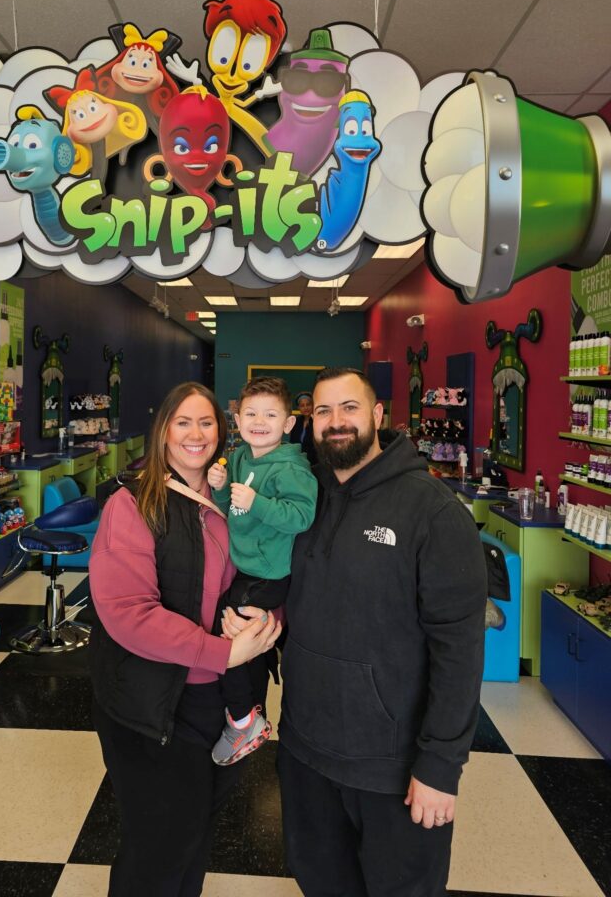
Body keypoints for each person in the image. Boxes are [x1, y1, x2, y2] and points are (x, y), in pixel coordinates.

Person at [276, 367, 487, 897]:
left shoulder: (433, 512)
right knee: (321, 882)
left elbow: (459, 649)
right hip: (305, 749)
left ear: (376, 416)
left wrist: (441, 766)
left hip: (393, 765)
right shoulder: (305, 498)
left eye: (350, 408)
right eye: (323, 411)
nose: (335, 422)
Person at [88, 382, 281, 897]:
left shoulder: (236, 500)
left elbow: (269, 570)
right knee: (158, 849)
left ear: (224, 430)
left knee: (193, 839)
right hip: (153, 705)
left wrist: (266, 617)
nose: (197, 434)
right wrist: (223, 651)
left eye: (207, 422)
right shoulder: (133, 503)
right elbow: (127, 612)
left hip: (218, 701)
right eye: (183, 422)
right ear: (163, 432)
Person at [207, 376, 317, 766]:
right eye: (250, 413)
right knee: (232, 631)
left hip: (270, 573)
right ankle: (253, 708)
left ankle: (242, 721)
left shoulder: (292, 469)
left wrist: (257, 502)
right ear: (237, 418)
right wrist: (219, 485)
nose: (259, 421)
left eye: (271, 415)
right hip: (246, 568)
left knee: (229, 639)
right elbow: (230, 505)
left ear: (288, 424)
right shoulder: (239, 458)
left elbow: (302, 517)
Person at [287, 389, 317, 466]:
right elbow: (292, 442)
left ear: (313, 405)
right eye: (302, 405)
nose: (306, 407)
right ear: (298, 408)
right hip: (297, 460)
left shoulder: (317, 421)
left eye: (308, 404)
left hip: (314, 461)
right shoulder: (295, 421)